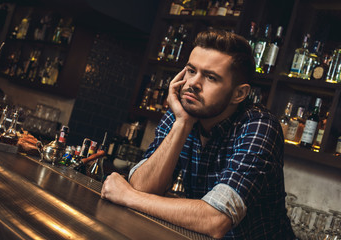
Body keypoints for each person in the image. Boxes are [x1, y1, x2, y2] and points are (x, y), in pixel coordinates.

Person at [101, 29, 295, 239]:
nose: (193, 83)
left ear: (239, 94)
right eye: (191, 71)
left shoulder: (259, 125)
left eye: (211, 77)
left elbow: (216, 219)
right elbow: (142, 188)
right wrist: (182, 123)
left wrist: (128, 197)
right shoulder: (184, 112)